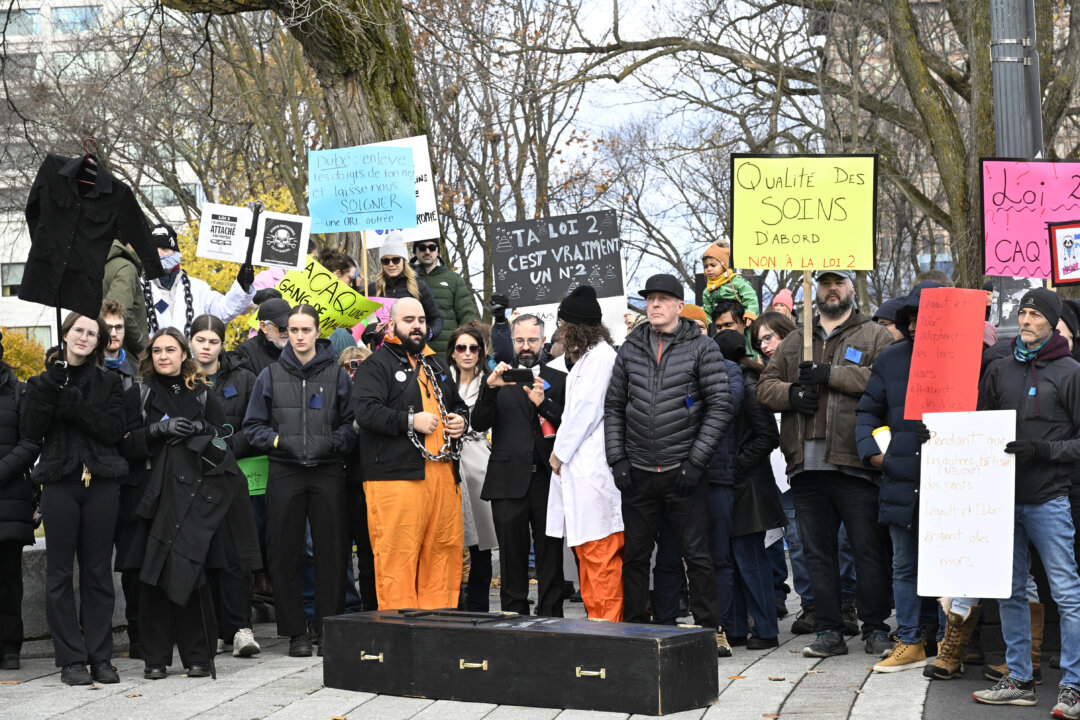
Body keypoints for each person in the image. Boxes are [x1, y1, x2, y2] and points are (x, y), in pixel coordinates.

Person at [757, 269, 895, 659]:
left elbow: (881, 382)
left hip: (855, 461)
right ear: (814, 290)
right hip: (805, 464)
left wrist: (831, 375)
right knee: (817, 553)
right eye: (824, 283)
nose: (831, 289)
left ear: (852, 288)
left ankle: (876, 628)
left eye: (839, 282)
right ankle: (829, 629)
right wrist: (791, 394)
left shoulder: (874, 336)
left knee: (867, 550)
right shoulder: (796, 341)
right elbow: (765, 387)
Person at [604, 273, 733, 654]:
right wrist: (618, 460)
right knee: (636, 557)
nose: (654, 305)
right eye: (650, 299)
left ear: (679, 305)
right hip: (639, 473)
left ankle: (711, 630)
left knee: (698, 555)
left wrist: (695, 462)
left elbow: (720, 404)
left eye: (663, 299)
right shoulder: (630, 348)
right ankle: (634, 631)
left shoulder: (702, 347)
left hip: (683, 471)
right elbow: (613, 406)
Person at [972, 288, 1080, 715]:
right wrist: (939, 440)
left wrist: (1044, 452)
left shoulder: (1071, 372)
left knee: (1067, 593)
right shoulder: (999, 370)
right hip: (1002, 499)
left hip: (1049, 498)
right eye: (1023, 312)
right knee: (1010, 590)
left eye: (1036, 313)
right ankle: (1019, 679)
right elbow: (977, 429)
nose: (1027, 319)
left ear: (1053, 322)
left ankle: (1073, 686)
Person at [122, 328, 236, 680]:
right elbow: (121, 444)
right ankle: (154, 658)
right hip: (149, 497)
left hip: (193, 499)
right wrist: (155, 432)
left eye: (170, 350)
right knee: (151, 576)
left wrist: (203, 429)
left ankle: (198, 655)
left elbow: (225, 438)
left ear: (183, 354)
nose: (162, 356)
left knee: (193, 574)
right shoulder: (137, 395)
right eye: (156, 351)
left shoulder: (202, 394)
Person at [243, 305, 357, 657]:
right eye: (293, 330)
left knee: (332, 553)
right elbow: (253, 427)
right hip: (286, 471)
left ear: (317, 331)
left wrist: (332, 444)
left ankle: (328, 627)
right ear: (285, 333)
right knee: (284, 553)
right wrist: (280, 442)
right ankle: (296, 632)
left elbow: (353, 425)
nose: (299, 336)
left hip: (326, 472)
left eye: (306, 330)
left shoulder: (338, 376)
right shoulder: (270, 375)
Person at [21, 313, 127, 685]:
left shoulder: (110, 383)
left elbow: (113, 431)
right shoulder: (42, 382)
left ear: (99, 341)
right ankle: (70, 658)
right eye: (78, 330)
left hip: (101, 484)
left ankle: (101, 656)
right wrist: (51, 388)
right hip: (59, 484)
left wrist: (76, 404)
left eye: (92, 333)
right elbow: (30, 430)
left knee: (98, 572)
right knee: (60, 573)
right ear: (65, 334)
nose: (84, 337)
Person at [352, 298, 469, 610]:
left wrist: (461, 420)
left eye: (421, 320)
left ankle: (438, 627)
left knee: (443, 552)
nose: (417, 325)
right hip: (396, 480)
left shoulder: (438, 364)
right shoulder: (376, 365)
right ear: (392, 325)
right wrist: (409, 420)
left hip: (443, 477)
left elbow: (457, 405)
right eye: (408, 320)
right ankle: (400, 631)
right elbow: (365, 412)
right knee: (397, 556)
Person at [854, 283, 944, 673]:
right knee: (905, 565)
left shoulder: (970, 359)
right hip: (900, 477)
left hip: (951, 479)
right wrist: (876, 456)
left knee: (946, 566)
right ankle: (909, 640)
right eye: (911, 318)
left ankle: (946, 642)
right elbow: (867, 414)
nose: (914, 325)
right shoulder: (890, 361)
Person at [472, 314, 566, 617]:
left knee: (550, 555)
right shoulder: (497, 378)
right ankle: (513, 616)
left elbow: (569, 424)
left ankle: (551, 615)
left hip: (546, 480)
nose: (526, 347)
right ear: (512, 341)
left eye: (532, 340)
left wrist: (544, 404)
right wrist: (490, 388)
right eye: (520, 340)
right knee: (511, 556)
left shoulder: (561, 378)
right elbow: (478, 422)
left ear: (543, 340)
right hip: (507, 480)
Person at [546, 287, 624, 621]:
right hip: (583, 475)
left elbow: (586, 411)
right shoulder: (588, 359)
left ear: (576, 327)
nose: (559, 334)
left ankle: (608, 629)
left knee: (600, 558)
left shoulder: (601, 359)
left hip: (594, 474)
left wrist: (558, 453)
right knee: (589, 556)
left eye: (563, 326)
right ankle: (598, 624)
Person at [188, 315, 262, 658]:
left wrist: (224, 448)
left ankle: (240, 627)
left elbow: (256, 424)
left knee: (235, 553)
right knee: (205, 554)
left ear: (221, 344)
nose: (206, 346)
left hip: (232, 477)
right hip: (192, 481)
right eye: (200, 339)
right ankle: (212, 628)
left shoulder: (245, 379)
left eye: (212, 341)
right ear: (191, 342)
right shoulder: (181, 380)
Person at [714, 329, 785, 649]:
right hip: (738, 486)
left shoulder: (749, 385)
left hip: (749, 488)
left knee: (751, 562)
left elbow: (768, 436)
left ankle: (767, 630)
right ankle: (738, 628)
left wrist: (736, 464)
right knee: (736, 560)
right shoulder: (734, 381)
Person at [100, 299, 145, 659]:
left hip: (129, 478)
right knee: (96, 563)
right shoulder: (82, 368)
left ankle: (139, 634)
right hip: (96, 477)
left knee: (132, 562)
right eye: (108, 327)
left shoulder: (138, 370)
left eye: (118, 327)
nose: (113, 333)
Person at [446, 324, 499, 612]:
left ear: (482, 352)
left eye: (473, 348)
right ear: (452, 352)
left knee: (480, 545)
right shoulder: (441, 380)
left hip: (479, 461)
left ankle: (478, 607)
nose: (467, 353)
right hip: (446, 460)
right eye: (461, 347)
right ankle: (449, 603)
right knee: (448, 540)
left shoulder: (490, 382)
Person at [0, 330, 41, 671]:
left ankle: (10, 646)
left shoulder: (18, 391)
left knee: (9, 577)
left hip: (9, 498)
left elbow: (31, 443)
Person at [142, 223, 255, 339]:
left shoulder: (198, 288)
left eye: (165, 249)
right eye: (155, 250)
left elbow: (223, 309)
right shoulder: (139, 287)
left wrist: (242, 284)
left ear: (175, 252)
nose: (160, 254)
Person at [338, 346, 377, 612]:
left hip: (367, 484)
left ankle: (372, 608)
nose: (354, 372)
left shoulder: (376, 397)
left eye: (361, 367)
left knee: (368, 554)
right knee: (338, 555)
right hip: (338, 483)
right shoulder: (334, 396)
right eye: (349, 367)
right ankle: (347, 608)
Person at [362, 232, 443, 348]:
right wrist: (370, 330)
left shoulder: (418, 287)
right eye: (386, 261)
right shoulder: (371, 289)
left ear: (403, 261)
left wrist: (428, 333)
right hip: (381, 352)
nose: (391, 264)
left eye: (395, 260)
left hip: (410, 350)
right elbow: (361, 322)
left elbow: (436, 318)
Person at [412, 237, 478, 354]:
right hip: (414, 350)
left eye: (432, 247)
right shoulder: (406, 278)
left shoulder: (454, 279)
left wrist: (461, 345)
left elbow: (467, 315)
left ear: (437, 250)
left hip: (447, 353)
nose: (427, 252)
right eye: (422, 248)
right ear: (415, 250)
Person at [103, 239, 150, 355]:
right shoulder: (125, 267)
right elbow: (119, 312)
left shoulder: (97, 264)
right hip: (125, 354)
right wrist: (142, 345)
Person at [701, 241, 759, 324]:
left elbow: (751, 298)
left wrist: (750, 313)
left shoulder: (736, 282)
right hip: (721, 328)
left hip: (742, 324)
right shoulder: (707, 291)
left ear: (724, 265)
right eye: (705, 266)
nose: (709, 269)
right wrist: (700, 322)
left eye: (713, 265)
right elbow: (708, 313)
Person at [234, 298, 291, 377]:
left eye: (290, 326)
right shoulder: (245, 353)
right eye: (282, 327)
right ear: (264, 326)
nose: (287, 331)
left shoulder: (300, 349)